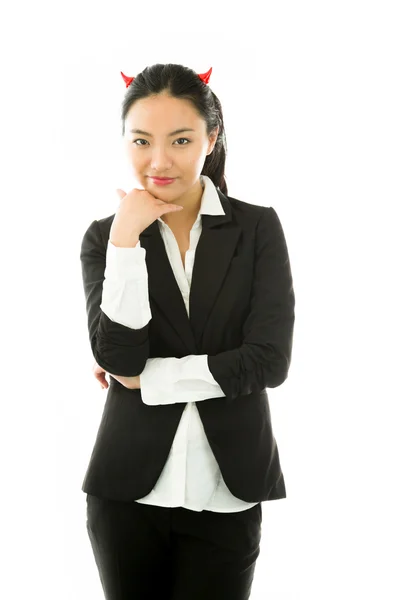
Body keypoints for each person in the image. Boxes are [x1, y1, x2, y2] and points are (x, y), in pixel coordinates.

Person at [80, 62, 295, 600]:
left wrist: (151, 382)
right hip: (127, 495)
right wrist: (126, 238)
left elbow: (269, 361)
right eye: (141, 141)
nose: (159, 160)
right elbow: (120, 358)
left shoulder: (257, 228)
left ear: (211, 137)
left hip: (229, 490)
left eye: (180, 140)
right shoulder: (105, 237)